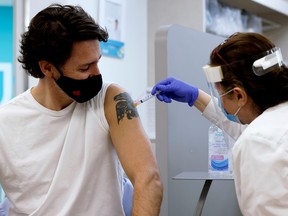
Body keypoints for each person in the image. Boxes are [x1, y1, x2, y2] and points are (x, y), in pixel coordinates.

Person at [0, 4, 163, 215]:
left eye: (97, 62)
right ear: (47, 68)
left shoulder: (110, 101)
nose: (97, 73)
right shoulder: (5, 123)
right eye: (85, 68)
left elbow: (148, 178)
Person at [152, 32, 288, 215]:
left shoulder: (258, 142)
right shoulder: (274, 123)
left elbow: (255, 136)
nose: (221, 102)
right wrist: (195, 96)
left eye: (221, 94)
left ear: (239, 95)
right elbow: (250, 127)